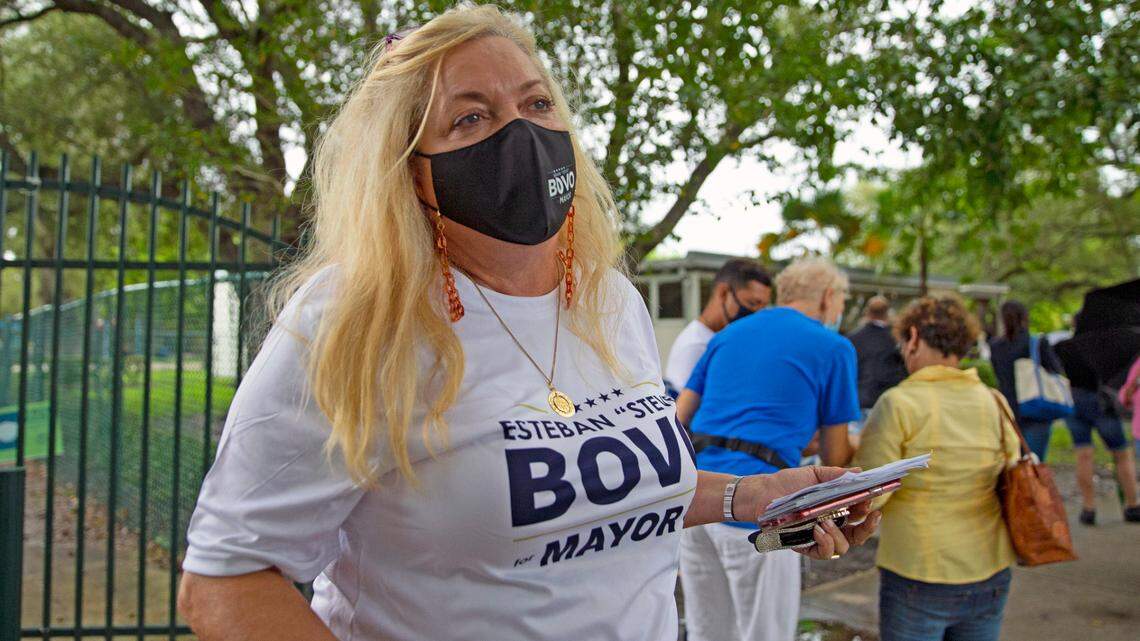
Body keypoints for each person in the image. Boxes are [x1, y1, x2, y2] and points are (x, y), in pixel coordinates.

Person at [174, 8, 878, 641]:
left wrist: (752, 496)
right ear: (414, 173)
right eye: (470, 117)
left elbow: (607, 490)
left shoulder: (608, 303)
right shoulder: (355, 323)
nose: (520, 133)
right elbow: (225, 580)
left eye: (537, 103)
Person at [675, 257, 860, 641]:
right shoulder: (834, 347)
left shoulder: (728, 334)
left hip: (698, 501)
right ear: (828, 297)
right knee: (766, 633)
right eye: (841, 302)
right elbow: (836, 459)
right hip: (762, 509)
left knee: (707, 632)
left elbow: (679, 416)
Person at [854, 296, 1020, 641]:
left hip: (920, 569)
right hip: (990, 567)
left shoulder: (899, 403)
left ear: (913, 337)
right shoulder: (993, 400)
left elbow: (869, 497)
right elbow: (1012, 471)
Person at [663, 258, 771, 398]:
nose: (758, 314)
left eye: (763, 307)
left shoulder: (723, 337)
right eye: (752, 303)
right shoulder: (697, 346)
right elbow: (683, 412)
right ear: (723, 293)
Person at [989, 299, 1064, 461]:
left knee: (1012, 464)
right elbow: (1056, 370)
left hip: (1008, 410)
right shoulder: (1036, 343)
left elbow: (998, 375)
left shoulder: (995, 346)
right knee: (1034, 463)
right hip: (1035, 407)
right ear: (1024, 317)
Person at [1066, 382, 1140, 525]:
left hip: (1073, 395)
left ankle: (1088, 509)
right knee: (1121, 453)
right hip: (1103, 398)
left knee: (1083, 454)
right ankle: (1132, 505)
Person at [846, 295, 907, 421]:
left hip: (860, 400)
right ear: (887, 313)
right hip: (889, 403)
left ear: (867, 312)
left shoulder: (853, 338)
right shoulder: (897, 339)